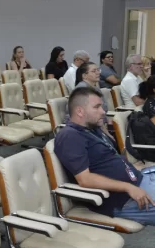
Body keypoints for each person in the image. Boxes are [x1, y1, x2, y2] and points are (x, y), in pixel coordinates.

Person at [55, 87, 155, 225]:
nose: (103, 111)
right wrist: (129, 187)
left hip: (140, 179)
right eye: (97, 107)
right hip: (123, 198)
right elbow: (85, 179)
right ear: (80, 111)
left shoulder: (91, 129)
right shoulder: (70, 136)